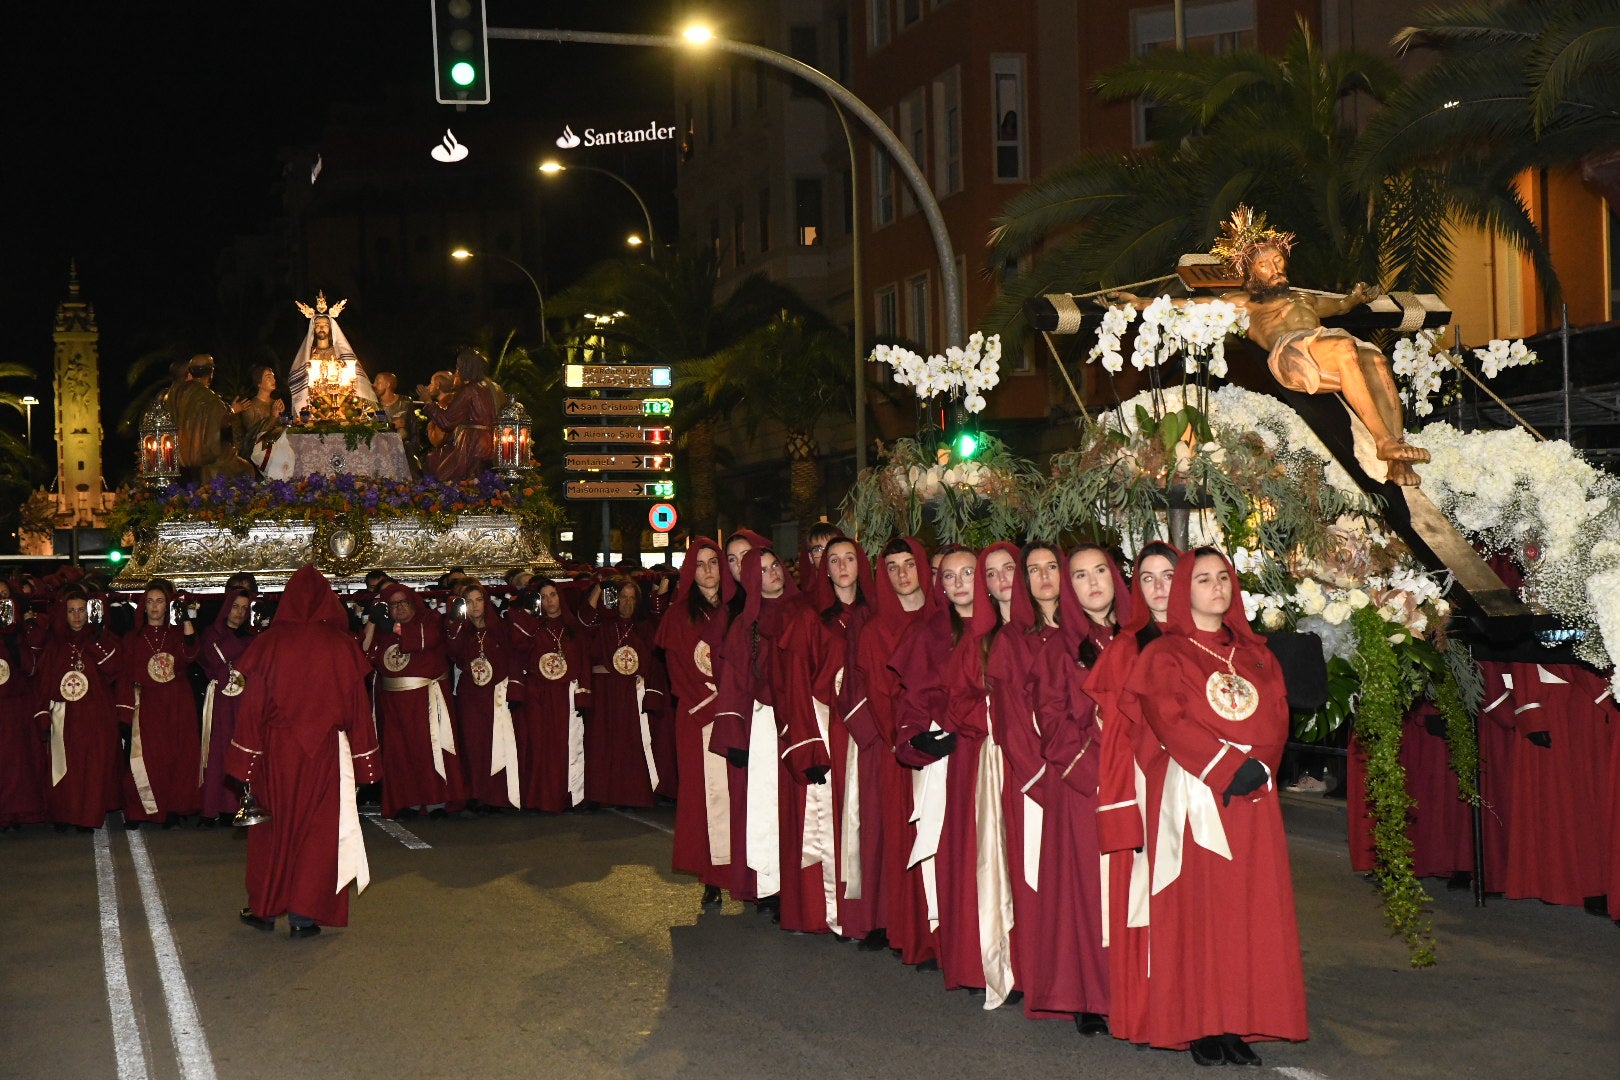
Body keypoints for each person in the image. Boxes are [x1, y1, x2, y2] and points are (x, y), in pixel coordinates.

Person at [1121, 548, 1307, 1065]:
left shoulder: (1255, 652)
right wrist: (1226, 768)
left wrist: (1262, 765)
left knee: (1246, 911)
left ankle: (1237, 1021)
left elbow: (1276, 715)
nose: (1216, 587)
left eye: (1223, 577)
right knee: (1197, 909)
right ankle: (1199, 1023)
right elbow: (1167, 717)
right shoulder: (1165, 653)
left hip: (1252, 799)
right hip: (1194, 795)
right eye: (1203, 579)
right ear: (1185, 589)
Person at [1111, 206, 1429, 484]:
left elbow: (1342, 307)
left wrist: (1356, 298)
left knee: (1376, 362)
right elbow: (1190, 307)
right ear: (1249, 273)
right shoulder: (1244, 304)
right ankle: (1384, 440)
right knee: (1345, 350)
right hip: (1291, 354)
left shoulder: (1306, 298)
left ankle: (1396, 459)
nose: (1275, 269)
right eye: (1265, 265)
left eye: (1278, 261)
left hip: (1327, 349)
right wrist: (1140, 302)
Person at [228, 565, 380, 937]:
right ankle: (304, 916)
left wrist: (243, 764)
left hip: (276, 753)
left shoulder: (269, 643)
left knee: (272, 831)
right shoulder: (341, 646)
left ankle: (265, 908)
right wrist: (366, 764)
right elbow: (358, 710)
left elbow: (253, 708)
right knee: (318, 832)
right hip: (325, 753)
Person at [1026, 543, 1129, 1033]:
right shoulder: (1058, 647)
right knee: (1089, 894)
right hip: (1086, 784)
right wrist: (1099, 772)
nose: (1092, 583)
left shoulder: (1140, 639)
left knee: (1135, 893)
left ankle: (1134, 990)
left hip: (1141, 784)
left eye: (1100, 572)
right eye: (1081, 575)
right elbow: (1052, 722)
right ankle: (1091, 994)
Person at [1087, 541, 1180, 1045]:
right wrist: (1126, 811)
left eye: (1168, 575)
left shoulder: (1207, 638)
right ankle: (1152, 1015)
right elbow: (1116, 742)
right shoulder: (1127, 647)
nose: (1159, 587)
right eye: (1147, 578)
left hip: (1202, 791)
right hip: (1149, 790)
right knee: (1150, 903)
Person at [985, 541, 1065, 1017]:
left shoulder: (1088, 633)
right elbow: (1010, 718)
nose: (1043, 577)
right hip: (1038, 779)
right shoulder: (1013, 640)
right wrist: (1042, 779)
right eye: (1032, 570)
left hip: (1094, 779)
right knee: (1037, 880)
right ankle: (1044, 979)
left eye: (1051, 566)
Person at [775, 535, 866, 936]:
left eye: (850, 558)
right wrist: (808, 744)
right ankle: (825, 911)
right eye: (834, 560)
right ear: (823, 568)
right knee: (826, 821)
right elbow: (795, 683)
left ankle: (866, 913)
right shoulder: (807, 616)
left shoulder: (874, 613)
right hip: (825, 727)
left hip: (867, 733)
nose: (843, 566)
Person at [711, 547, 798, 910]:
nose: (772, 573)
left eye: (775, 564)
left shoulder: (805, 613)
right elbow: (733, 682)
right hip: (765, 727)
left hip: (804, 720)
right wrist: (735, 737)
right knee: (769, 809)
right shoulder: (745, 626)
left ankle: (802, 887)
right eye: (761, 570)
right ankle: (773, 887)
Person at [654, 538, 735, 905]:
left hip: (741, 717)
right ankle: (712, 877)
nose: (707, 570)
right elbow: (678, 673)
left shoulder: (739, 608)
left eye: (713, 563)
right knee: (705, 798)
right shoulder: (679, 615)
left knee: (743, 795)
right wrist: (712, 710)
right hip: (697, 717)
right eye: (699, 564)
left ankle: (747, 875)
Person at [363, 582, 467, 818]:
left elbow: (423, 640)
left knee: (429, 749)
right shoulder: (383, 627)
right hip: (394, 704)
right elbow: (364, 652)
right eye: (393, 604)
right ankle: (406, 801)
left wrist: (393, 627)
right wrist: (372, 621)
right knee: (400, 754)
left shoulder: (430, 620)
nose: (399, 607)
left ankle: (436, 801)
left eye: (403, 602)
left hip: (426, 700)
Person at [27, 589, 122, 830]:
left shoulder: (102, 638)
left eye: (81, 610)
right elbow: (44, 681)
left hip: (95, 716)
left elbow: (115, 671)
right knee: (64, 768)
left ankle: (87, 817)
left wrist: (94, 641)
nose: (77, 616)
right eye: (71, 611)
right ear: (64, 613)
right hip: (64, 717)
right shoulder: (56, 643)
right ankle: (63, 815)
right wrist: (43, 715)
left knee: (92, 769)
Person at [117, 579, 203, 827]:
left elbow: (190, 654)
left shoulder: (176, 635)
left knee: (176, 758)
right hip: (148, 705)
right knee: (145, 759)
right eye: (151, 602)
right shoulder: (133, 638)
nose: (155, 607)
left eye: (161, 601)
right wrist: (124, 711)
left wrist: (185, 618)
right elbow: (125, 675)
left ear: (167, 606)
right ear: (144, 606)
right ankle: (138, 811)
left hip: (177, 704)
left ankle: (171, 809)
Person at [583, 578, 667, 810]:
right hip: (607, 694)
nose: (627, 603)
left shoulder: (646, 627)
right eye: (623, 597)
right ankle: (601, 794)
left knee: (633, 746)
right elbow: (585, 624)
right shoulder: (605, 626)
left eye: (632, 598)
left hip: (633, 695)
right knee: (602, 744)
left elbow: (654, 662)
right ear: (615, 600)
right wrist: (599, 587)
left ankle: (633, 795)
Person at [514, 578, 592, 812]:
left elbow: (584, 663)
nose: (549, 601)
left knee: (566, 747)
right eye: (544, 597)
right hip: (538, 695)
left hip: (566, 696)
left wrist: (583, 694)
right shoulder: (532, 627)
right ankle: (540, 797)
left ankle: (567, 796)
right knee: (539, 746)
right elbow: (518, 652)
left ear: (561, 597)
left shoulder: (574, 627)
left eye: (553, 595)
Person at [444, 583, 523, 811]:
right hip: (471, 696)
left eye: (479, 600)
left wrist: (515, 689)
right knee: (473, 744)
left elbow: (514, 658)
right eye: (468, 601)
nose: (475, 606)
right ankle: (476, 794)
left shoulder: (501, 628)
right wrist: (456, 623)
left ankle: (497, 796)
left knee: (498, 742)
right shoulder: (460, 631)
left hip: (497, 694)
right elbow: (453, 652)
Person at [198, 588, 257, 824]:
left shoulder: (251, 636)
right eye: (235, 606)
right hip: (220, 699)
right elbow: (215, 658)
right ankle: (214, 806)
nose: (239, 613)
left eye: (244, 608)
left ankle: (237, 805)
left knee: (240, 748)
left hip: (244, 700)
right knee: (217, 751)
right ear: (226, 608)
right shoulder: (212, 635)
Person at [0, 580, 47, 829]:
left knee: (17, 764)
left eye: (5, 596)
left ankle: (17, 811)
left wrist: (15, 637)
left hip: (15, 708)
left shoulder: (21, 632)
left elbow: (31, 669)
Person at [169, 354, 253, 482]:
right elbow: (222, 420)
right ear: (211, 373)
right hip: (201, 455)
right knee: (246, 469)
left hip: (177, 455)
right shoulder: (208, 397)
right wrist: (234, 410)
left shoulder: (175, 393)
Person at [420, 349, 498, 481]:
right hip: (490, 441)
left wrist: (428, 402)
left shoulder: (469, 390)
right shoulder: (489, 388)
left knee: (444, 477)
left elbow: (447, 421)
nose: (457, 371)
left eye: (458, 367)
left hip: (471, 443)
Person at [233, 365, 285, 472]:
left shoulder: (275, 404)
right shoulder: (250, 406)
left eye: (273, 377)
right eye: (268, 377)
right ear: (259, 383)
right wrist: (273, 417)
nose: (273, 380)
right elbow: (255, 438)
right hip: (258, 458)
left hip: (278, 453)